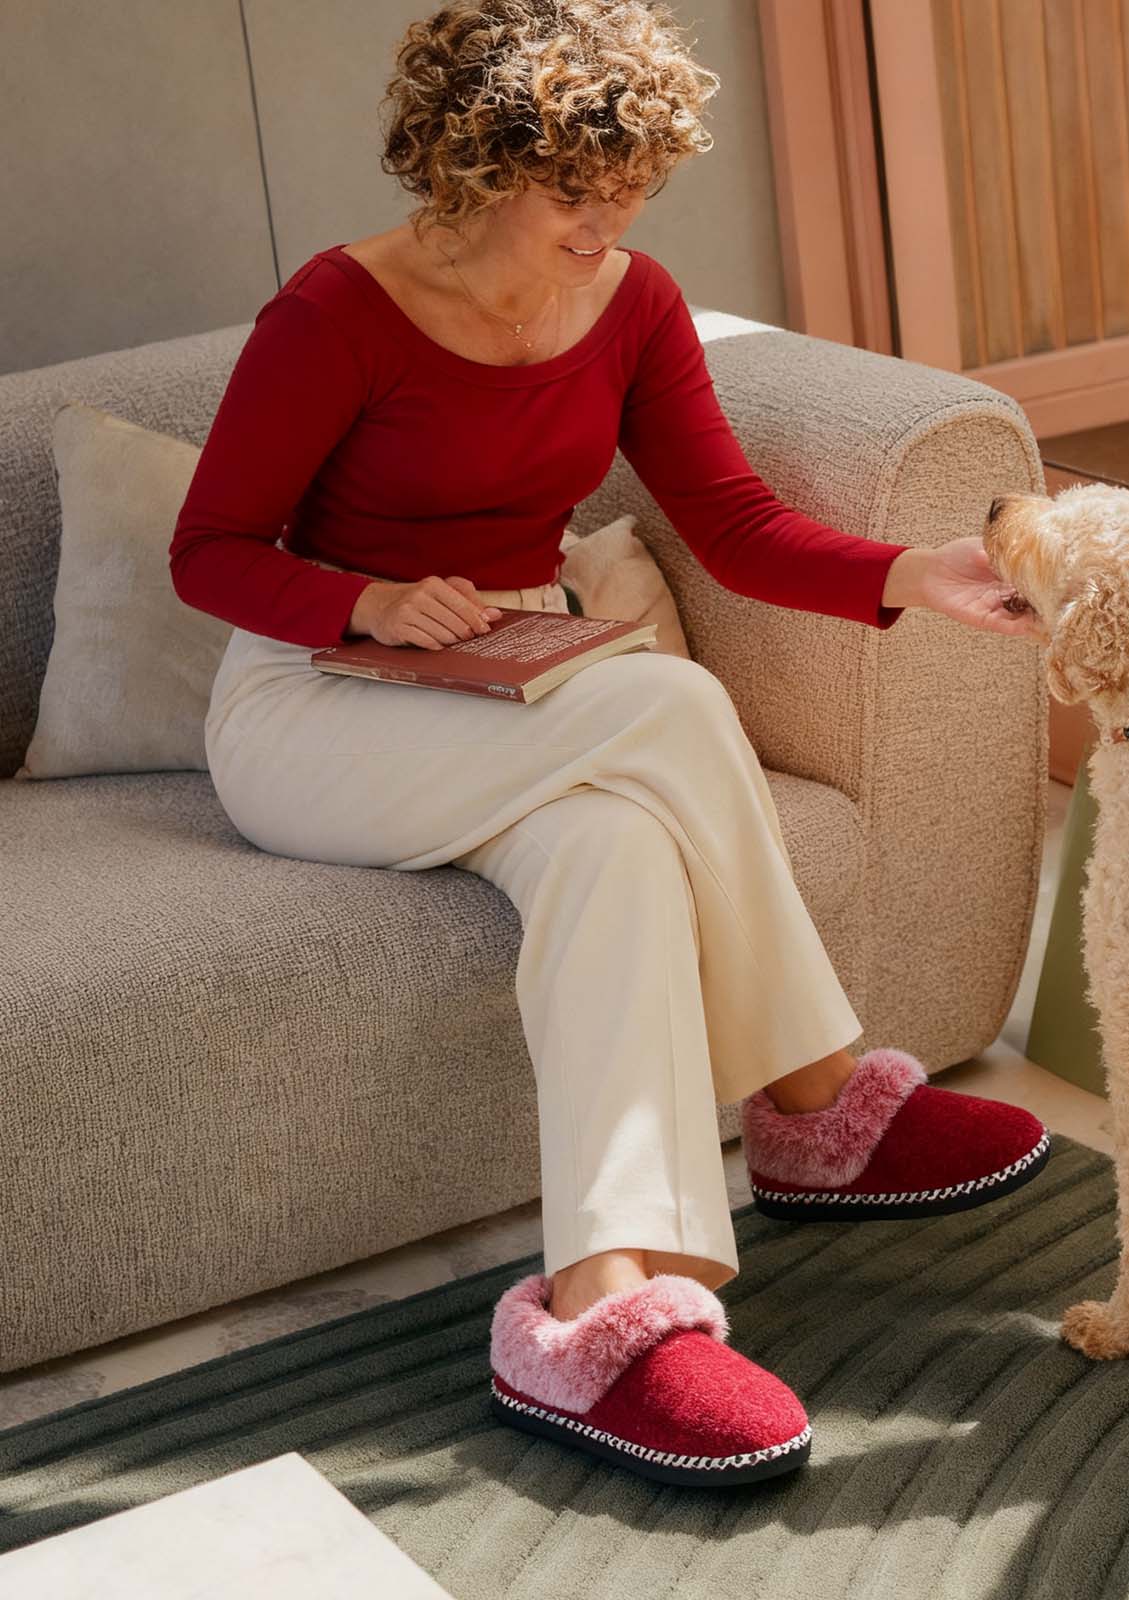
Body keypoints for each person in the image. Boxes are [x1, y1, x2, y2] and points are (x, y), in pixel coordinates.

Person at [171, 0, 1051, 1488]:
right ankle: (819, 1102)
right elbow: (207, 552)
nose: (612, 229)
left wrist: (913, 574)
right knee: (670, 701)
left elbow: (730, 522)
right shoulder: (331, 318)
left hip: (521, 680)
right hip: (317, 703)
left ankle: (604, 1312)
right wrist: (368, 597)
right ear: (473, 166)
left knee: (617, 846)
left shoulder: (631, 303)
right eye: (577, 197)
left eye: (634, 193)